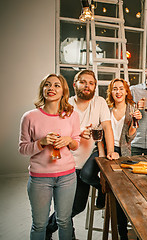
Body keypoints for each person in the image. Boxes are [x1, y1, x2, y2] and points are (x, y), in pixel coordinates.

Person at [46, 70, 119, 239]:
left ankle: (49, 229)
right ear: (75, 84)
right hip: (67, 163)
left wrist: (110, 151)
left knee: (78, 206)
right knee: (69, 207)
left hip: (87, 161)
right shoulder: (65, 104)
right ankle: (51, 231)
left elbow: (107, 127)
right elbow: (57, 132)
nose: (87, 86)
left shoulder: (99, 102)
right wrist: (78, 133)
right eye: (83, 82)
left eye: (91, 83)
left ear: (95, 86)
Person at [19, 74, 81, 240]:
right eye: (47, 85)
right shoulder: (29, 117)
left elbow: (77, 143)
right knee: (39, 225)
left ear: (63, 92)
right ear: (43, 89)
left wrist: (69, 141)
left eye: (56, 85)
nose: (51, 88)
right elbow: (23, 149)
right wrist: (42, 142)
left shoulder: (72, 115)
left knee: (65, 221)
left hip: (67, 177)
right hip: (39, 179)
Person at [81, 78, 142, 239]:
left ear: (126, 91)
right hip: (103, 147)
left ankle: (121, 232)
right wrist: (102, 154)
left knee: (119, 192)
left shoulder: (132, 109)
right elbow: (98, 134)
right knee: (86, 174)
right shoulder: (106, 108)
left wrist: (135, 124)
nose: (118, 92)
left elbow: (130, 138)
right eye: (115, 89)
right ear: (111, 92)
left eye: (121, 89)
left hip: (122, 151)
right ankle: (103, 191)